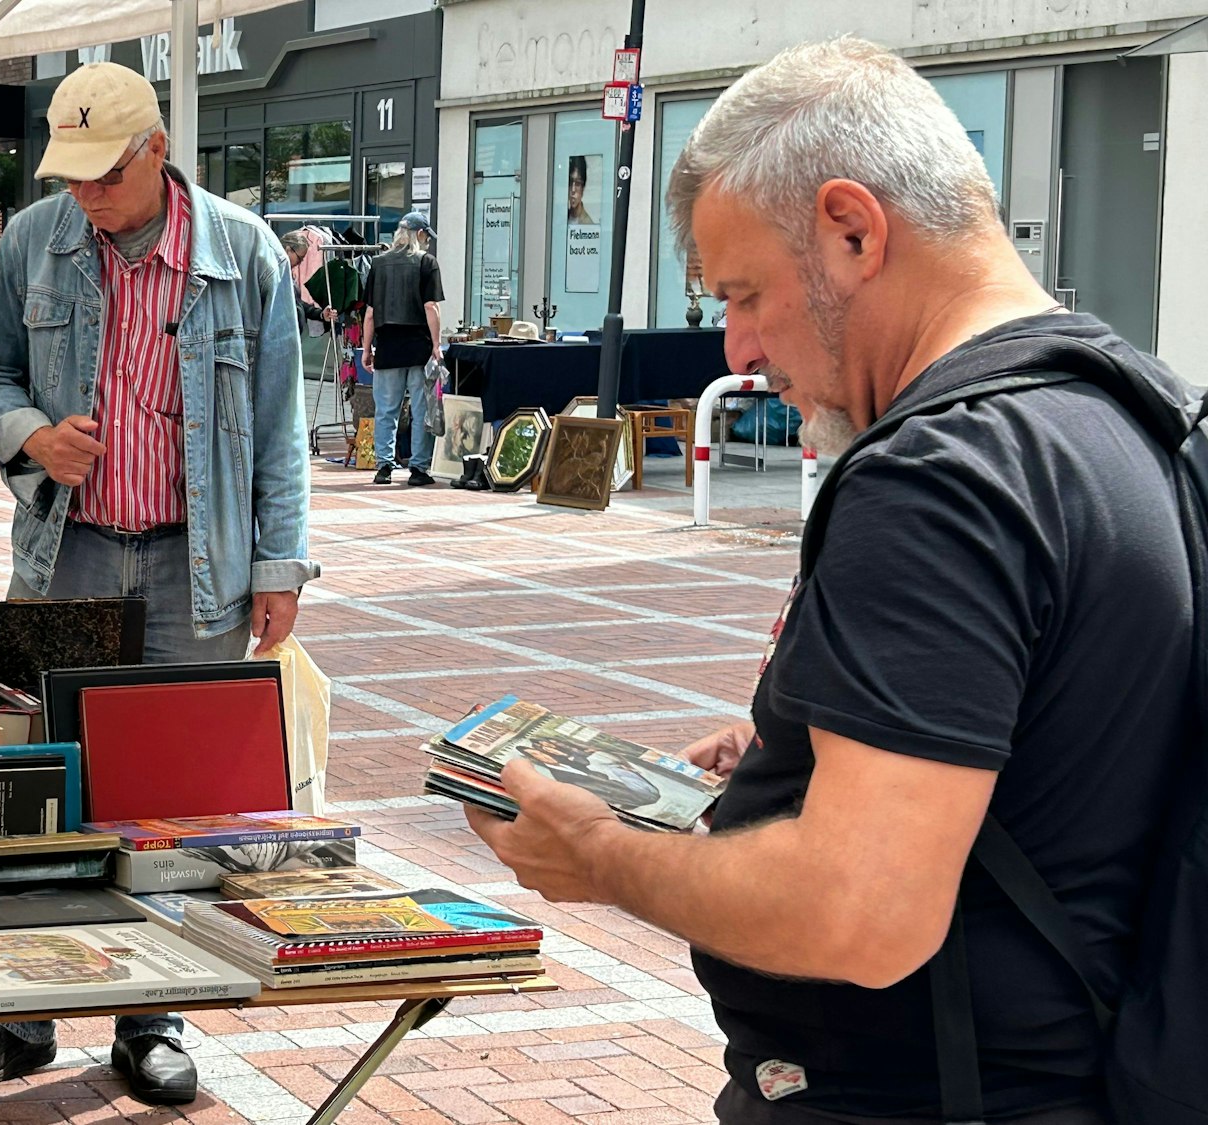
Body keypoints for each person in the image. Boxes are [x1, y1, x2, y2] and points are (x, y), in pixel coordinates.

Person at [466, 37, 1195, 1125]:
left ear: (852, 230)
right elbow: (1075, 750)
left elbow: (858, 914)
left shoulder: (937, 480)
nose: (736, 346)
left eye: (745, 292)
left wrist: (603, 856)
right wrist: (821, 748)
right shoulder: (1140, 416)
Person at [0, 62, 314, 1106]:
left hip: (197, 566)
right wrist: (29, 434)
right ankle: (19, 1016)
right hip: (66, 553)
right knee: (40, 787)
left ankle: (149, 1021)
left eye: (103, 175)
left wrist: (278, 567)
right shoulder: (35, 239)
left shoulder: (239, 253)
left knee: (169, 808)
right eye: (70, 176)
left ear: (155, 150)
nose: (85, 196)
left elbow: (281, 427)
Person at [360, 212, 444, 486]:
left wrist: (366, 348)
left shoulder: (378, 264)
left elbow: (370, 313)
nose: (428, 242)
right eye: (426, 237)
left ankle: (383, 466)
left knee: (386, 409)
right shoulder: (427, 263)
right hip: (418, 347)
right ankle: (418, 469)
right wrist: (436, 344)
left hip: (388, 346)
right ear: (419, 235)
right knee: (421, 410)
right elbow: (431, 307)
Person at [566, 154, 596, 225]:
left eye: (578, 184)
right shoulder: (561, 218)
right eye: (570, 182)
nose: (573, 190)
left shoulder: (588, 224)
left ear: (583, 188)